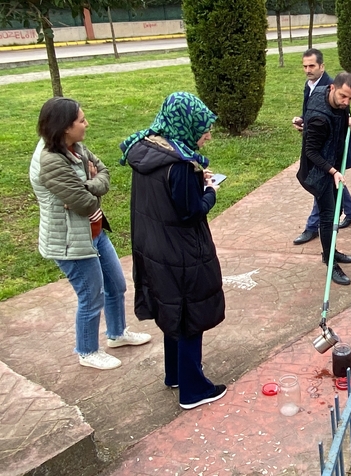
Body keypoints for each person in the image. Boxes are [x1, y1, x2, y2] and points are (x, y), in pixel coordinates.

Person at [121, 92, 227, 410]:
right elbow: (190, 211)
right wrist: (209, 191)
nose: (207, 134)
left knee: (173, 312)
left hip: (153, 247)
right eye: (202, 127)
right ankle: (194, 390)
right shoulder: (179, 164)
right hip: (181, 252)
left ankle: (176, 374)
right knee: (190, 314)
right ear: (186, 124)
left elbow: (165, 197)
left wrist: (196, 182)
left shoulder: (147, 149)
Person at [29, 97, 152, 371]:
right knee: (91, 296)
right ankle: (87, 351)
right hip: (71, 242)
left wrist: (87, 184)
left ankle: (117, 334)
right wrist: (88, 188)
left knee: (116, 285)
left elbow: (104, 174)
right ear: (64, 127)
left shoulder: (74, 146)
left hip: (94, 233)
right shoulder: (50, 160)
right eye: (81, 120)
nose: (87, 124)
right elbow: (85, 203)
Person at [292, 49, 351, 245]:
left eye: (312, 65)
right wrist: (305, 122)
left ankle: (315, 230)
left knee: (331, 195)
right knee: (331, 195)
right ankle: (342, 217)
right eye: (305, 66)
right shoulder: (312, 87)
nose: (308, 70)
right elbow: (313, 122)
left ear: (322, 66)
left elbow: (343, 111)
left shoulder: (335, 89)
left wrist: (348, 118)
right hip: (321, 157)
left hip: (332, 152)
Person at [296, 72, 351, 286]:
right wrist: (332, 171)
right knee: (328, 215)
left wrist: (347, 118)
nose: (346, 102)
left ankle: (331, 252)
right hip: (318, 172)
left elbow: (342, 110)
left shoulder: (333, 97)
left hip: (333, 163)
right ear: (332, 88)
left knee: (337, 210)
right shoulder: (319, 117)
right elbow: (311, 152)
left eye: (350, 98)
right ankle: (331, 263)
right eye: (343, 97)